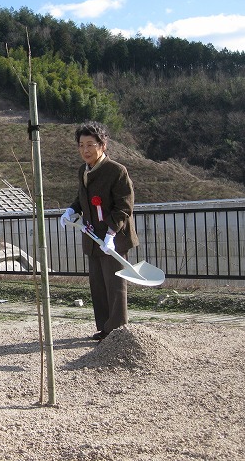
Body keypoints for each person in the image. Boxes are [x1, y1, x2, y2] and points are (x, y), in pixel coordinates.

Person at [60, 121, 139, 341]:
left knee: (115, 286)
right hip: (93, 237)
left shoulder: (116, 171)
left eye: (90, 144)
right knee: (98, 284)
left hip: (113, 238)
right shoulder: (83, 170)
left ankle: (117, 332)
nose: (85, 150)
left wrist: (111, 234)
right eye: (81, 145)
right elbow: (82, 198)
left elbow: (124, 206)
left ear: (102, 145)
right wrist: (71, 210)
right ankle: (105, 329)